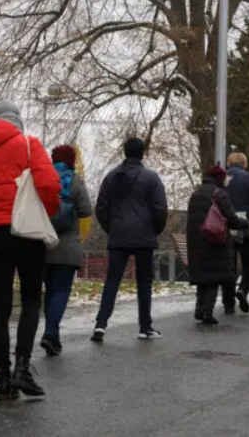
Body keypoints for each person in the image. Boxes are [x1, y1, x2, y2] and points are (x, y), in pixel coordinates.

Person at [0, 102, 61, 401]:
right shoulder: (28, 144)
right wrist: (46, 212)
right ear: (17, 122)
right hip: (26, 231)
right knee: (32, 298)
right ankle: (22, 367)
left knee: (0, 304)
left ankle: (4, 380)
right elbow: (49, 184)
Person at [92, 137, 168, 342]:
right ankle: (145, 326)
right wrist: (155, 230)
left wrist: (112, 229)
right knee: (144, 281)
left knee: (113, 280)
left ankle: (100, 324)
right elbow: (160, 208)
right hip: (144, 236)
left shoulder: (111, 178)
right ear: (143, 153)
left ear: (124, 152)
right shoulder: (151, 178)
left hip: (119, 235)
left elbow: (101, 208)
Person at [41, 145, 93, 356]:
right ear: (72, 161)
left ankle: (53, 337)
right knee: (61, 291)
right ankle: (50, 332)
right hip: (68, 246)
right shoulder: (76, 181)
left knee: (49, 291)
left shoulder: (43, 179)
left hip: (44, 244)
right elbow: (86, 210)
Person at [187, 166, 249, 324]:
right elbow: (232, 219)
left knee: (203, 275)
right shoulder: (219, 194)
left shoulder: (196, 193)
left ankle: (198, 309)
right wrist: (245, 223)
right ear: (221, 179)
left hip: (196, 240)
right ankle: (207, 311)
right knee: (214, 276)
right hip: (214, 239)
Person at [224, 152, 249, 314]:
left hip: (226, 225)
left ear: (229, 163)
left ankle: (228, 303)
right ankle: (243, 290)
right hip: (246, 225)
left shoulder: (222, 177)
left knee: (229, 264)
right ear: (244, 164)